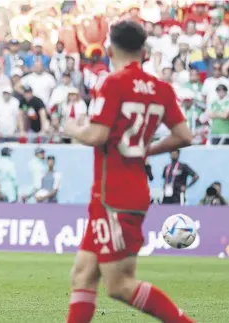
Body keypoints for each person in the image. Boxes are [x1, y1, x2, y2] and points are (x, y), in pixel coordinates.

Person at [62, 21, 195, 323]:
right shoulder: (161, 89)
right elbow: (184, 136)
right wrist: (146, 150)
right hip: (124, 191)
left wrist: (72, 128)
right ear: (144, 52)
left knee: (120, 285)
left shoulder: (113, 83)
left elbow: (96, 136)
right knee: (83, 274)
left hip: (114, 197)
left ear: (109, 50)